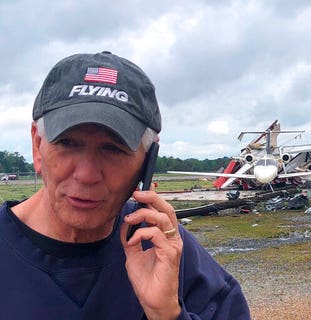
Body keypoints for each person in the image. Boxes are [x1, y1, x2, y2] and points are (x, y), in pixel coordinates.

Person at [0, 51, 251, 319]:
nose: (86, 175)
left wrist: (167, 313)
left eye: (113, 149)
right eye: (68, 143)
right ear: (37, 146)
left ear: (147, 162)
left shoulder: (167, 253)